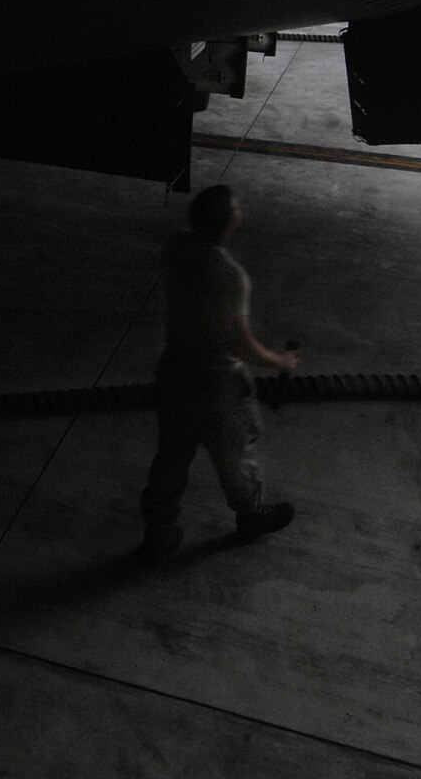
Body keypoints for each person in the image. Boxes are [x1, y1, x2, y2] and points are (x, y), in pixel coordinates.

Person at [138, 184, 300, 564]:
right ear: (230, 222)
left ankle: (159, 530)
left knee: (172, 455)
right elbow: (238, 343)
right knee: (234, 456)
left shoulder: (175, 247)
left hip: (176, 372)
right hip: (216, 386)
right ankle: (250, 515)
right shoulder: (230, 276)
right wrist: (281, 362)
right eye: (236, 207)